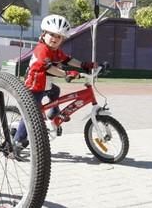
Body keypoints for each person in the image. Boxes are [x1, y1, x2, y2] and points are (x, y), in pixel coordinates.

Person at [12, 15, 94, 146]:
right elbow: (48, 67)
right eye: (52, 34)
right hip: (35, 86)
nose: (55, 38)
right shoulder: (42, 49)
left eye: (59, 36)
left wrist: (84, 64)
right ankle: (18, 141)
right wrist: (66, 74)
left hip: (46, 84)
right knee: (32, 115)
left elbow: (67, 59)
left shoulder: (55, 50)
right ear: (43, 34)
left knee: (55, 91)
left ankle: (53, 114)